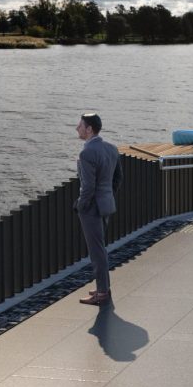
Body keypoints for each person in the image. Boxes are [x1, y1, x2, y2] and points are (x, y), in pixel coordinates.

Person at [75, 112, 122, 305]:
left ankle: (102, 293)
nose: (77, 128)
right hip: (106, 205)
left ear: (89, 129)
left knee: (96, 252)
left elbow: (87, 187)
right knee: (100, 248)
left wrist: (80, 205)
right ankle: (103, 288)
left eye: (80, 125)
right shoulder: (111, 149)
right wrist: (107, 197)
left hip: (92, 209)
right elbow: (118, 179)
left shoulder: (86, 153)